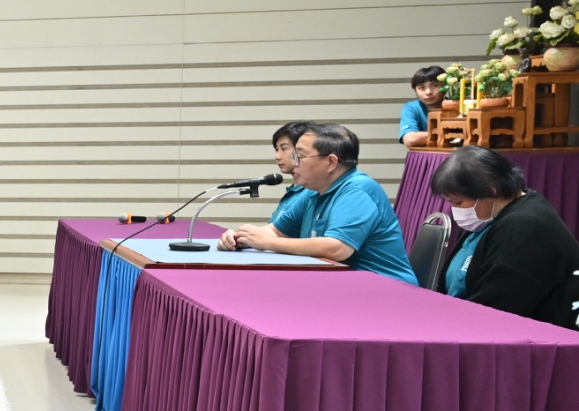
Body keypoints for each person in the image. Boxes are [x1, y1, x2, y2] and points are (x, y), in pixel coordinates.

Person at [218, 124, 417, 283]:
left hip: (384, 288)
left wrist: (266, 243)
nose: (294, 163)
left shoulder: (358, 191)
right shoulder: (313, 191)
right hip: (341, 284)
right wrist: (240, 237)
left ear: (331, 162)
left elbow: (337, 248)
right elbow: (276, 231)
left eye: (300, 156)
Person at [432, 146, 579, 324]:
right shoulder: (484, 217)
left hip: (536, 335)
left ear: (491, 191)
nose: (454, 210)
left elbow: (495, 311)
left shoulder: (526, 229)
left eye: (458, 202)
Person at [267, 121, 317, 234]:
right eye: (277, 149)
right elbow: (271, 232)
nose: (277, 156)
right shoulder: (292, 191)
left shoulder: (312, 191)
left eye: (284, 149)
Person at [399, 65, 448, 147]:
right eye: (422, 88)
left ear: (445, 87)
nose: (428, 92)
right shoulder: (411, 108)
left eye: (435, 85)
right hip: (423, 155)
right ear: (415, 91)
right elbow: (410, 139)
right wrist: (449, 136)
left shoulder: (455, 106)